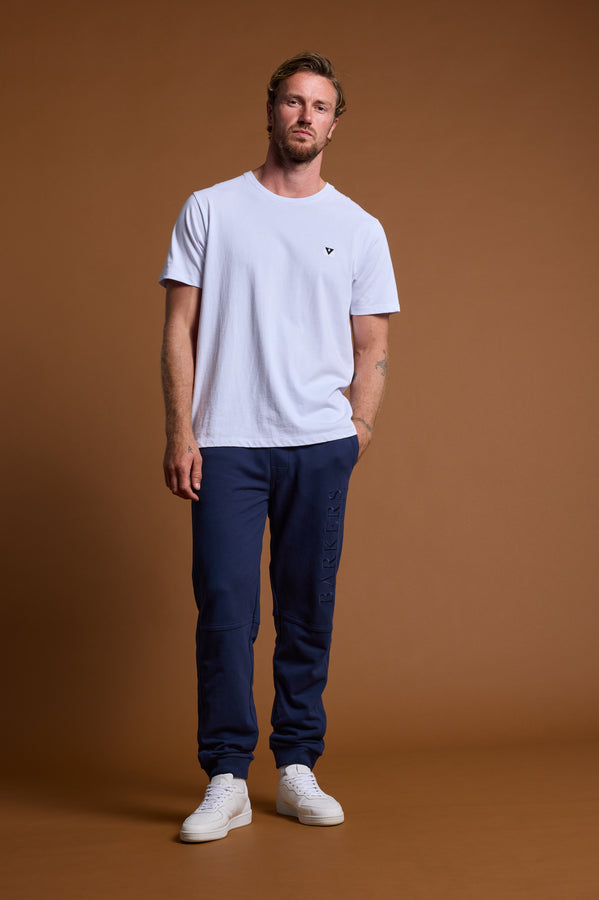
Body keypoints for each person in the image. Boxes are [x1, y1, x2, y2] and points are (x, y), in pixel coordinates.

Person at [159, 51, 399, 843]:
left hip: (318, 446)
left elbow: (373, 343)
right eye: (293, 103)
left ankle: (296, 765)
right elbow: (179, 329)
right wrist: (181, 430)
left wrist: (357, 430)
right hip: (226, 443)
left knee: (306, 610)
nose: (305, 117)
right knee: (226, 612)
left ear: (335, 121)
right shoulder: (210, 209)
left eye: (320, 106)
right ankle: (227, 776)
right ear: (271, 112)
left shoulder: (358, 227)